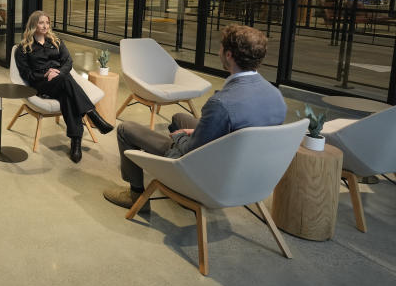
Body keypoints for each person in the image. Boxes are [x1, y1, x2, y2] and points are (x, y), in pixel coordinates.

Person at [103, 25, 286, 209]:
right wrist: (200, 131)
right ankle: (175, 184)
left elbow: (191, 151)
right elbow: (240, 133)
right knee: (179, 117)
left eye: (221, 47)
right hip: (244, 171)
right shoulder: (275, 96)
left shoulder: (221, 104)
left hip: (208, 173)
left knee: (126, 129)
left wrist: (181, 135)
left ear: (229, 55)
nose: (219, 51)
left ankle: (136, 196)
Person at [14, 11, 114, 163]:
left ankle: (76, 142)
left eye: (47, 23)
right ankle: (92, 113)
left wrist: (58, 72)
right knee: (66, 80)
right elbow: (26, 74)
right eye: (41, 23)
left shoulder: (56, 41)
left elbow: (68, 62)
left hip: (60, 81)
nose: (45, 26)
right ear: (33, 24)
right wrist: (46, 74)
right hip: (41, 84)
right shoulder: (23, 48)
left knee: (67, 94)